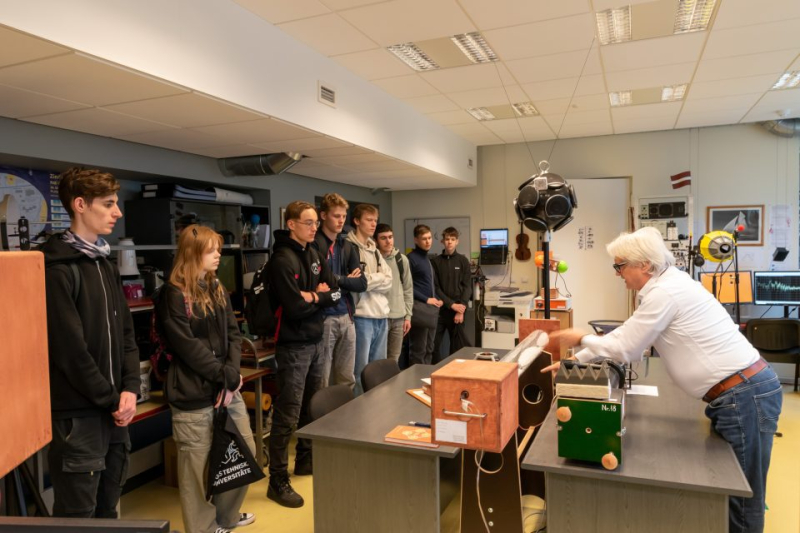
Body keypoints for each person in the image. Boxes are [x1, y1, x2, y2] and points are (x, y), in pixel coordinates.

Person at [544, 226, 782, 533]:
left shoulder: (665, 292)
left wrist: (581, 337)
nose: (617, 274)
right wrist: (579, 360)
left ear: (644, 264)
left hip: (744, 394)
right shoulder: (667, 286)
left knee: (742, 497)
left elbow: (627, 348)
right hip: (739, 393)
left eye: (620, 266)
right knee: (732, 491)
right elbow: (631, 334)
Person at [41, 167, 140, 518]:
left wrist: (131, 388)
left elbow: (127, 334)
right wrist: (113, 400)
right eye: (108, 204)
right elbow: (71, 352)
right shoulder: (57, 269)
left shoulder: (105, 263)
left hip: (115, 413)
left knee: (108, 511)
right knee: (78, 517)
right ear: (80, 205)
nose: (118, 212)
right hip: (79, 417)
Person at [156, 225, 256, 533]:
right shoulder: (172, 294)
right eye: (211, 251)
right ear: (192, 253)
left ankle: (226, 517)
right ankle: (203, 528)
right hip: (192, 393)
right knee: (195, 471)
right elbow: (186, 346)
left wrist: (231, 376)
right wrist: (224, 377)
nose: (218, 256)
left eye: (218, 250)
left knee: (245, 451)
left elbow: (234, 334)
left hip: (226, 387)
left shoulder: (216, 286)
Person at [267, 201, 340, 507]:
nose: (314, 228)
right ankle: (277, 479)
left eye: (315, 223)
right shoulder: (281, 260)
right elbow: (294, 308)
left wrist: (313, 296)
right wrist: (318, 296)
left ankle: (305, 460)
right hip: (293, 346)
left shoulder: (314, 253)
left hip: (317, 340)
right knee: (289, 413)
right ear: (291, 224)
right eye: (308, 223)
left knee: (313, 406)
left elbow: (336, 292)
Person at [313, 193, 367, 389]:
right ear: (323, 215)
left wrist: (337, 280)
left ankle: (346, 410)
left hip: (346, 315)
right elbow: (317, 281)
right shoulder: (314, 245)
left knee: (347, 378)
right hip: (323, 318)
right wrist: (346, 280)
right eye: (336, 216)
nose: (341, 220)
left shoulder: (346, 245)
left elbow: (361, 283)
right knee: (322, 378)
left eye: (343, 216)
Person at [345, 204, 392, 392]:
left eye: (375, 220)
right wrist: (377, 278)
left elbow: (389, 280)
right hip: (362, 317)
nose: (373, 224)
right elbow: (357, 282)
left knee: (378, 373)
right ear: (357, 221)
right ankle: (359, 408)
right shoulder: (348, 247)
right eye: (369, 220)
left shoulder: (375, 249)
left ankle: (377, 407)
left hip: (381, 316)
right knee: (359, 372)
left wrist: (370, 280)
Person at [432, 227, 472, 362]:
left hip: (458, 312)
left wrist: (460, 309)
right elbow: (436, 288)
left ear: (457, 241)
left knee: (457, 349)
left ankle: (453, 372)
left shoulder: (463, 261)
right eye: (447, 239)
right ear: (442, 241)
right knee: (433, 346)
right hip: (440, 310)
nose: (449, 242)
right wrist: (451, 304)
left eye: (453, 239)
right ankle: (436, 371)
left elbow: (467, 287)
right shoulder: (435, 262)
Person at [375, 223, 413, 362]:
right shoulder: (373, 259)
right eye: (383, 238)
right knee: (378, 359)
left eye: (390, 237)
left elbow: (408, 289)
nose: (388, 241)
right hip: (379, 317)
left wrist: (408, 316)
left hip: (398, 317)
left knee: (394, 359)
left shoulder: (401, 259)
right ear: (376, 241)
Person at [406, 225, 443, 365]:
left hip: (431, 310)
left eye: (429, 238)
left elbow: (428, 285)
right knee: (419, 350)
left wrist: (437, 299)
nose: (428, 241)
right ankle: (416, 377)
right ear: (416, 240)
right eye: (424, 239)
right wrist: (426, 299)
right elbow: (407, 287)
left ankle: (426, 376)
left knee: (429, 348)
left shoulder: (427, 259)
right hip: (419, 309)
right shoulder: (411, 259)